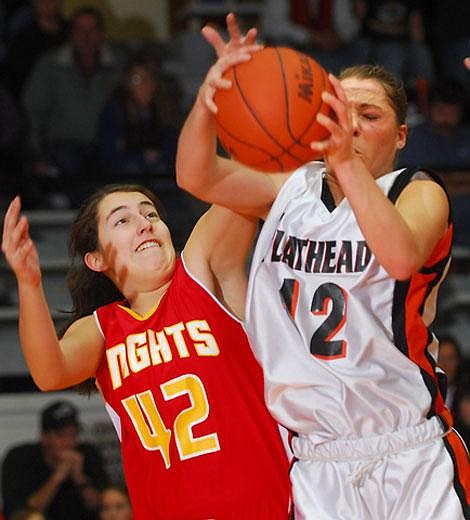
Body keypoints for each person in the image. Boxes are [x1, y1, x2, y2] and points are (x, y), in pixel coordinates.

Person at [176, 13, 470, 519]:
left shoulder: (417, 190)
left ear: (401, 136)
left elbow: (400, 257)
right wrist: (212, 98)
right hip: (315, 459)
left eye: (370, 116)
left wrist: (346, 164)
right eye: (339, 110)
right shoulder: (288, 188)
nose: (351, 125)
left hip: (410, 449)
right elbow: (194, 174)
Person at [1, 184, 291, 518]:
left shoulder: (200, 274)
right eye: (122, 221)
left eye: (150, 213)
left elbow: (242, 188)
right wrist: (28, 283)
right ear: (96, 260)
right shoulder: (100, 329)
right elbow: (49, 373)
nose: (144, 222)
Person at [22, 5, 122, 208]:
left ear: (101, 33)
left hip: (106, 148)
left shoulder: (118, 66)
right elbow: (33, 114)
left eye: (92, 30)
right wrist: (37, 156)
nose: (86, 36)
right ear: (71, 33)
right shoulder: (50, 65)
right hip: (62, 148)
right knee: (69, 163)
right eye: (79, 29)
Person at [1, 400, 108, 520]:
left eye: (73, 434)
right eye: (61, 435)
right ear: (43, 437)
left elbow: (102, 507)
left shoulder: (88, 454)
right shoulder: (20, 458)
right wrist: (58, 476)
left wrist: (79, 478)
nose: (69, 442)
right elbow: (21, 513)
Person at [97, 52, 181, 180]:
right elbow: (109, 157)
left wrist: (158, 157)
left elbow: (175, 151)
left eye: (149, 78)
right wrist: (141, 157)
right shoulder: (115, 112)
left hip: (162, 180)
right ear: (126, 83)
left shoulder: (165, 111)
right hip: (125, 180)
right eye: (137, 79)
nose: (144, 85)